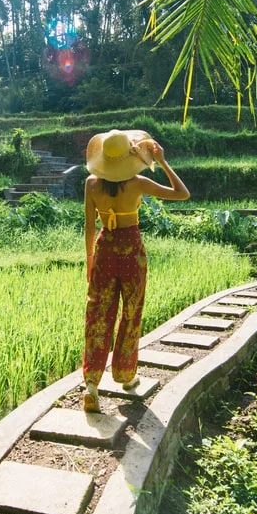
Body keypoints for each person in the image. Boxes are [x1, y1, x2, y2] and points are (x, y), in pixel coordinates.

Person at [82, 129, 190, 413]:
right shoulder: (138, 183)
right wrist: (163, 162)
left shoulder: (92, 184)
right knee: (131, 312)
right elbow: (183, 193)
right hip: (131, 251)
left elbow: (90, 226)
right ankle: (125, 376)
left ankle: (91, 383)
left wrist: (90, 259)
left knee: (98, 313)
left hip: (104, 249)